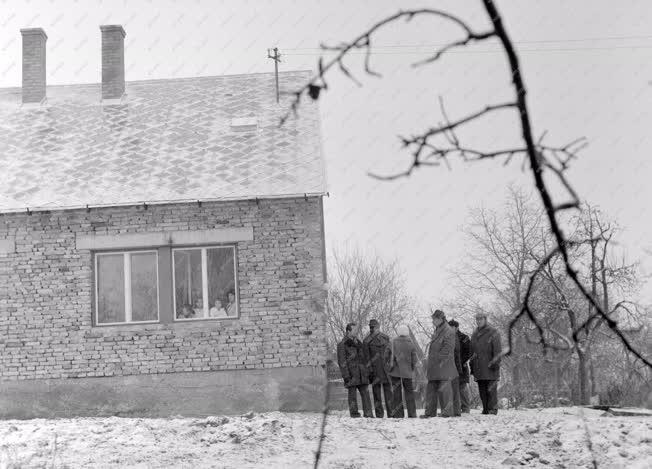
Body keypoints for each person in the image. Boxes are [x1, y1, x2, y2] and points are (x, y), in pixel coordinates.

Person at [422, 309, 458, 418]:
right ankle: (429, 413)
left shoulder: (448, 331)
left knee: (445, 390)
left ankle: (447, 413)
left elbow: (448, 348)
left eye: (434, 319)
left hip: (443, 366)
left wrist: (438, 360)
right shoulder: (437, 330)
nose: (433, 321)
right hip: (434, 366)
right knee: (431, 389)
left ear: (440, 319)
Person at [337, 322, 373, 418]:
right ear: (348, 331)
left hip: (362, 373)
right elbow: (342, 362)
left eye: (357, 329)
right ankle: (354, 414)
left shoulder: (360, 343)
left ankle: (368, 414)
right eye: (355, 330)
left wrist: (367, 371)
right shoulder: (342, 345)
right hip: (351, 375)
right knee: (352, 396)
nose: (357, 331)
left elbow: (365, 359)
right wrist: (346, 376)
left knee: (366, 395)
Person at [470, 312, 503, 415]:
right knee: (482, 390)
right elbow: (472, 351)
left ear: (485, 319)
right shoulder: (474, 334)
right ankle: (485, 409)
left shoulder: (493, 332)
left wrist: (495, 363)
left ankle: (492, 409)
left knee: (491, 389)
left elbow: (497, 350)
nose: (478, 321)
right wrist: (472, 364)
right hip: (479, 367)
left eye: (481, 319)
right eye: (477, 319)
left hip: (490, 366)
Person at [386, 325, 418, 418]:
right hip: (407, 373)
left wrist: (388, 366)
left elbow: (386, 356)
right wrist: (411, 368)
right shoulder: (411, 343)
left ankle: (398, 414)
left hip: (395, 372)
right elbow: (414, 359)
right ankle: (412, 414)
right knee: (409, 393)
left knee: (397, 393)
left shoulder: (392, 342)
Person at [363, 319, 392, 418]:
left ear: (378, 327)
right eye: (371, 327)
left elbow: (390, 353)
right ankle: (379, 415)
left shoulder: (386, 338)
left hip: (386, 370)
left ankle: (391, 414)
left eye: (374, 327)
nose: (373, 329)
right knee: (377, 395)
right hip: (375, 371)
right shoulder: (366, 341)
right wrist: (370, 371)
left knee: (389, 394)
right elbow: (366, 358)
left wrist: (390, 365)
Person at [449, 319, 473, 413]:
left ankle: (466, 408)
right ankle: (455, 408)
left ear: (457, 327)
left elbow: (469, 352)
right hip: (450, 366)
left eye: (452, 327)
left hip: (462, 366)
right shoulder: (448, 337)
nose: (450, 329)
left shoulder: (464, 338)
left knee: (462, 387)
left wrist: (461, 361)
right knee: (452, 387)